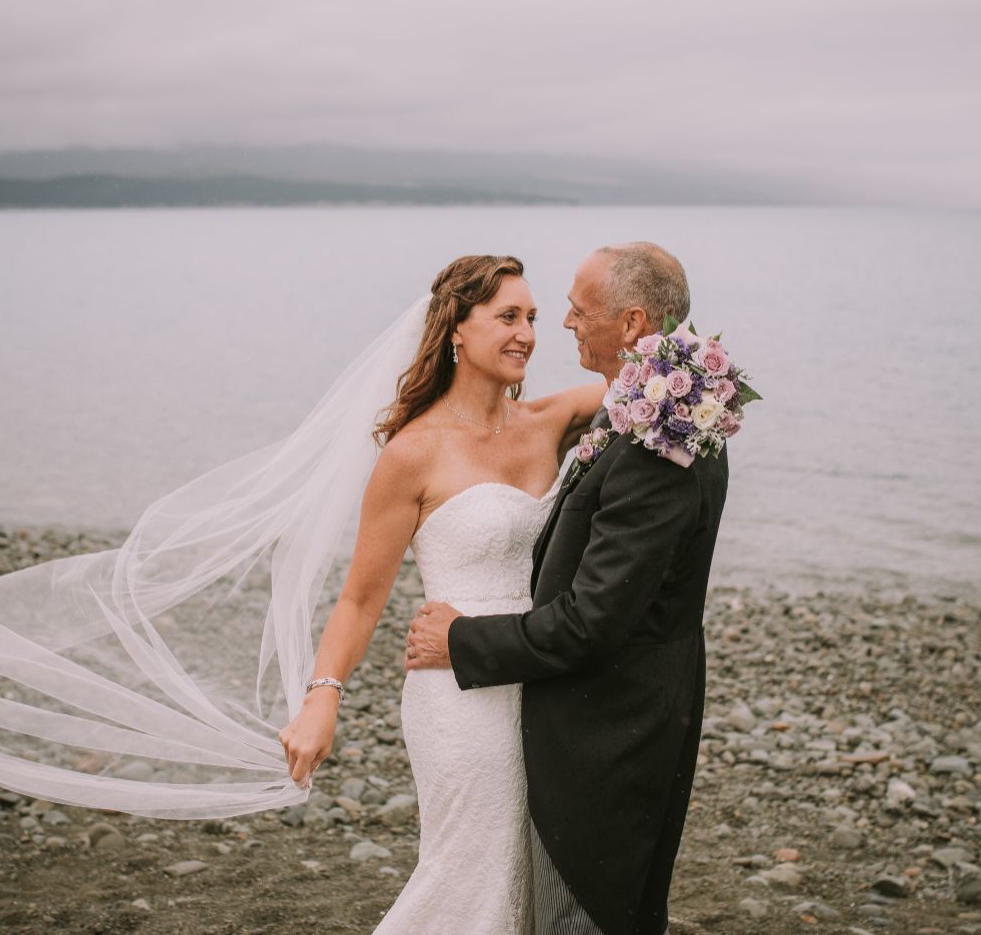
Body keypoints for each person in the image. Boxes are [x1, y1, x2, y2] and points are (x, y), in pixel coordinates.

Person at [405, 242, 729, 935]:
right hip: (607, 712)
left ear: (633, 321)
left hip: (609, 730)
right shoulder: (653, 404)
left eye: (578, 312)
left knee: (584, 914)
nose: (562, 325)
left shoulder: (657, 441)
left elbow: (590, 623)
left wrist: (458, 637)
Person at [277, 254, 603, 932]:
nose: (527, 333)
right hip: (457, 695)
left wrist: (674, 349)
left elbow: (655, 381)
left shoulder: (549, 420)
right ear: (455, 328)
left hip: (539, 676)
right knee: (467, 872)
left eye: (535, 318)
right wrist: (322, 696)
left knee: (522, 873)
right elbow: (360, 600)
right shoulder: (412, 453)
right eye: (507, 316)